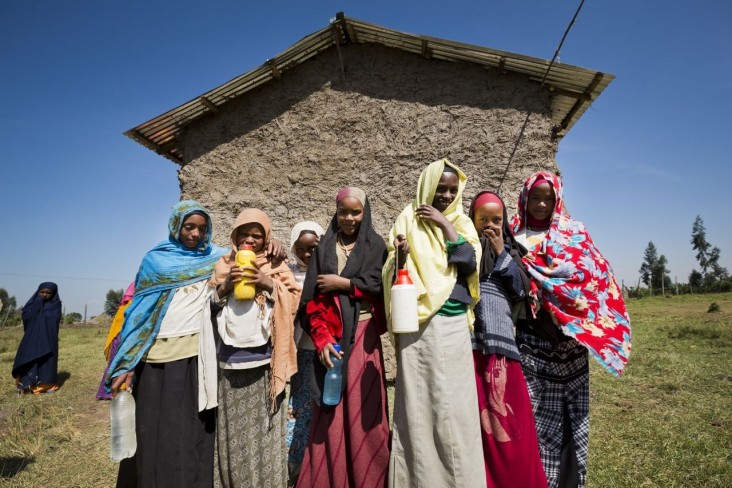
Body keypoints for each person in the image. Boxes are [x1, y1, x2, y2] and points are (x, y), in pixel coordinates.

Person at [510, 171, 632, 488]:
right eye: (535, 197)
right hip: (532, 343)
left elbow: (596, 275)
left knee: (572, 418)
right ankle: (536, 481)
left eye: (548, 198)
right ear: (524, 198)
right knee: (534, 419)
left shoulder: (574, 232)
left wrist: (570, 307)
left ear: (558, 199)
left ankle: (569, 481)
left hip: (571, 345)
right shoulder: (514, 233)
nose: (540, 204)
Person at [106, 200, 230, 488]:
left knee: (189, 430)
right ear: (176, 226)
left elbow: (250, 245)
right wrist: (127, 364)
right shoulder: (155, 261)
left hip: (195, 357)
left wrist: (274, 242)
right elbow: (138, 317)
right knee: (152, 429)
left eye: (202, 228)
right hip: (154, 359)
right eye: (189, 227)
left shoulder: (216, 258)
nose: (195, 234)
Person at [383, 159, 485, 488]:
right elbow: (391, 271)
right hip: (418, 327)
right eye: (440, 188)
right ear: (427, 186)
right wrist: (400, 255)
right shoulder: (406, 219)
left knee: (455, 410)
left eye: (453, 190)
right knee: (419, 407)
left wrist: (445, 224)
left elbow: (467, 263)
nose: (446, 194)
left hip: (454, 327)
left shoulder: (462, 223)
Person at [297, 187, 390, 488]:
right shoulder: (324, 248)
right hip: (333, 335)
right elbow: (312, 299)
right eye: (343, 212)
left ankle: (369, 477)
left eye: (356, 212)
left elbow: (377, 286)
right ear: (335, 213)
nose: (349, 218)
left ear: (366, 213)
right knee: (332, 407)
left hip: (364, 335)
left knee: (365, 408)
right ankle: (331, 478)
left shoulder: (376, 246)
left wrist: (344, 283)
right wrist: (322, 340)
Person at [209, 208, 300, 488]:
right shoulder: (224, 264)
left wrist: (268, 284)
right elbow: (208, 305)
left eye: (257, 235)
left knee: (264, 432)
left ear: (266, 238)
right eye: (244, 234)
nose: (250, 239)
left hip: (265, 367)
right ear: (235, 236)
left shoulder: (276, 264)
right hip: (229, 364)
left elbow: (295, 301)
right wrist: (225, 287)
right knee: (232, 433)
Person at [468, 191, 547, 488]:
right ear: (472, 221)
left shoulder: (511, 251)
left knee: (509, 427)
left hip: (502, 349)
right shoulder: (467, 248)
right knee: (479, 426)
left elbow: (520, 290)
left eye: (496, 220)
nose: (489, 225)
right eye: (483, 219)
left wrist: (501, 250)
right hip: (471, 349)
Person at [284, 221, 324, 487]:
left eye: (313, 249)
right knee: (296, 410)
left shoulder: (328, 273)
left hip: (320, 352)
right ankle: (295, 470)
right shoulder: (287, 274)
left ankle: (316, 466)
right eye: (301, 249)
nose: (308, 255)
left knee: (316, 409)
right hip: (296, 352)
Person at [12, 282, 62, 395]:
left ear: (53, 294)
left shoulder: (55, 305)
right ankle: (26, 386)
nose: (44, 295)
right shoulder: (32, 304)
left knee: (47, 361)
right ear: (38, 292)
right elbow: (26, 318)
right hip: (31, 338)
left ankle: (47, 385)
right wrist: (37, 304)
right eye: (42, 292)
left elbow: (53, 322)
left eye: (48, 293)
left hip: (48, 339)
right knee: (28, 359)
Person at [97, 281, 135, 400]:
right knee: (122, 363)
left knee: (116, 363)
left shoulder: (125, 305)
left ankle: (113, 390)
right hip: (123, 337)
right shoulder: (133, 304)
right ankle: (120, 390)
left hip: (119, 337)